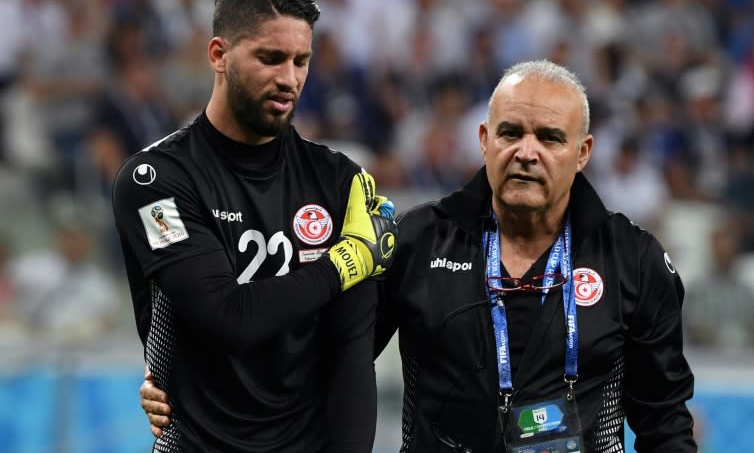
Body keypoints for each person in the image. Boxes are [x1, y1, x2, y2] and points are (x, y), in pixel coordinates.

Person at [140, 60, 697, 452]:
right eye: (510, 133)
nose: (526, 151)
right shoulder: (419, 242)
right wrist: (190, 379)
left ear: (583, 153)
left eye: (549, 138)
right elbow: (314, 362)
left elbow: (664, 423)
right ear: (484, 140)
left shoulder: (636, 261)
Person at [112, 0, 397, 453]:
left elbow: (351, 352)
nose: (290, 79)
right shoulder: (153, 184)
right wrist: (342, 265)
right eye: (270, 58)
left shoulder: (340, 182)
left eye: (301, 60)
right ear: (219, 55)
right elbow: (228, 317)